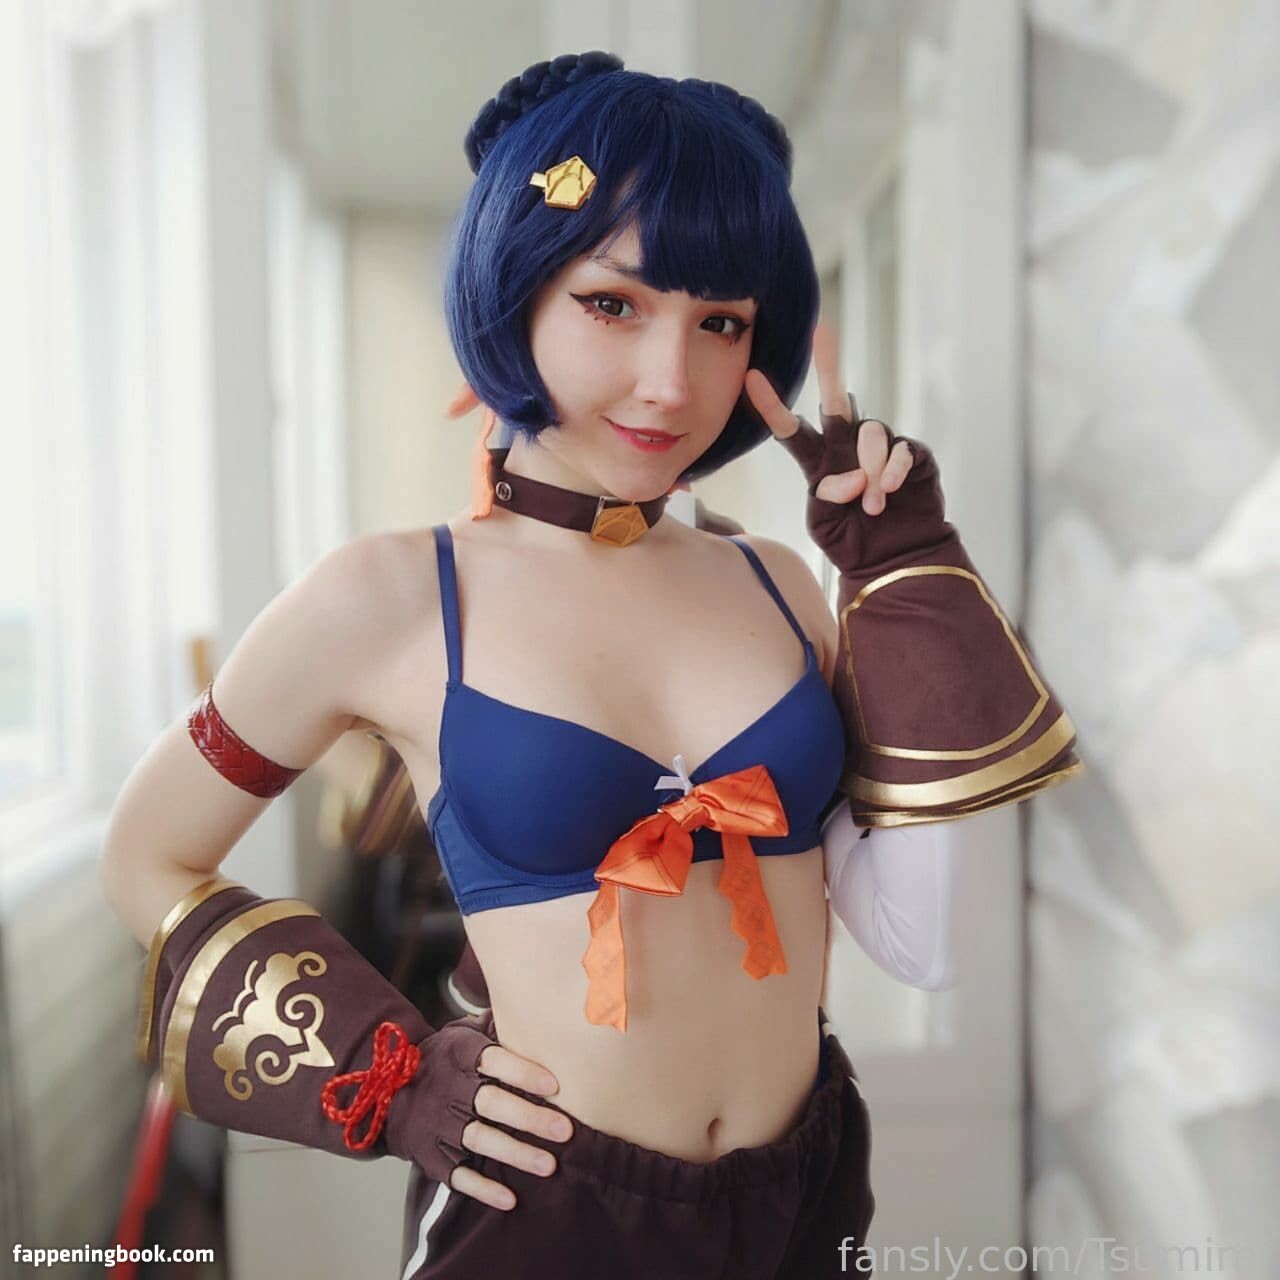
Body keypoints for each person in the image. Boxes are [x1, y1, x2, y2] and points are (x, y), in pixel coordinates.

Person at [101, 52, 1080, 1279]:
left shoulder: (781, 583)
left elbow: (917, 939)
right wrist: (384, 1075)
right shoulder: (387, 597)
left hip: (805, 1191)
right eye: (613, 304)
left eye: (719, 322)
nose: (670, 384)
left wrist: (902, 573)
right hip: (546, 1216)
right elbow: (147, 854)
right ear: (514, 288)